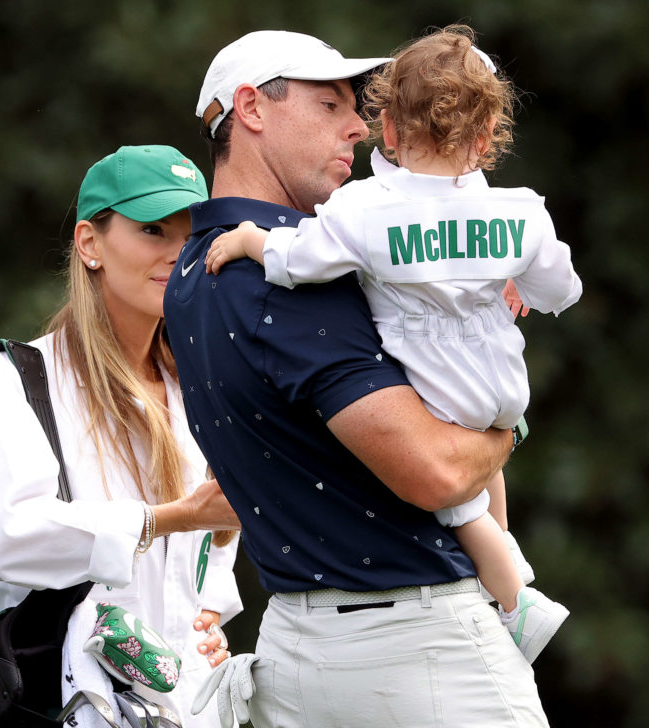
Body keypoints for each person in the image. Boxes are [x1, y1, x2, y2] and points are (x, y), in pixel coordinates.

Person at [166, 30, 553, 727]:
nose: (358, 126)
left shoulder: (192, 274)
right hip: (411, 650)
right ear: (251, 108)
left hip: (297, 644)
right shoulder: (283, 275)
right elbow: (433, 472)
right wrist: (507, 426)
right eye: (328, 105)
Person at [0, 145, 243, 728]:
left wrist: (204, 621)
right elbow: (9, 537)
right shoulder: (12, 381)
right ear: (89, 244)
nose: (175, 254)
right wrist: (170, 518)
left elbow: (206, 562)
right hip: (59, 708)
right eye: (152, 230)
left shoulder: (200, 389)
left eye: (192, 236)